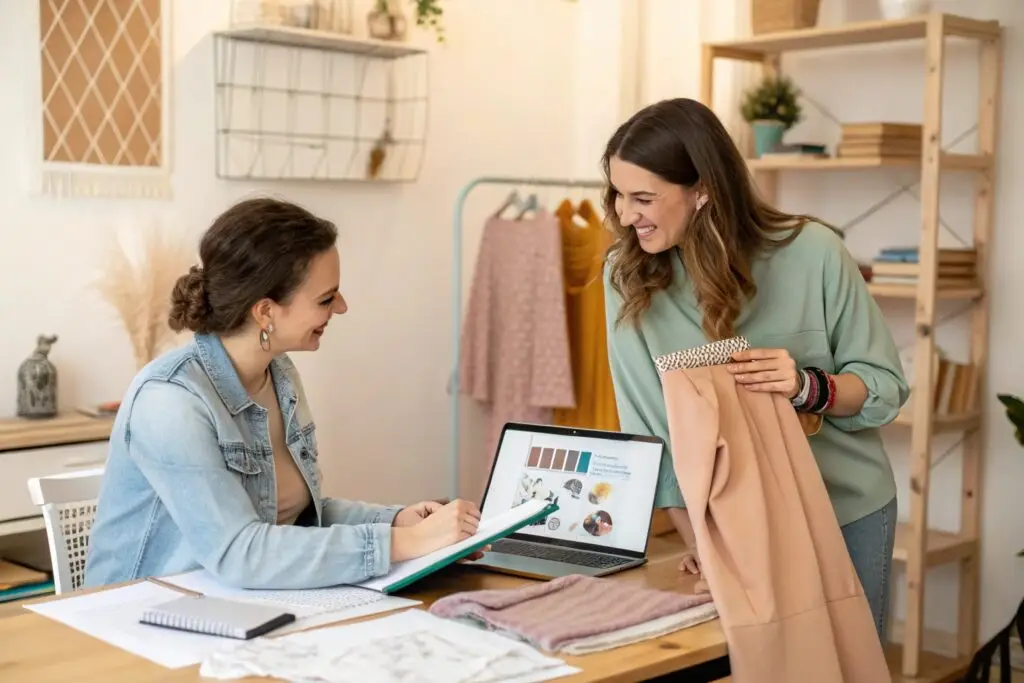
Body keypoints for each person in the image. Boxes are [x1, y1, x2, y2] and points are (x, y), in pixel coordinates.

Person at [600, 98, 908, 640]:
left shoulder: (814, 252)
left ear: (703, 191)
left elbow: (883, 388)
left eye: (643, 198)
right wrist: (705, 544)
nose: (625, 215)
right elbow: (650, 434)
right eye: (619, 195)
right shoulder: (627, 276)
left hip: (845, 509)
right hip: (732, 528)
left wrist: (809, 388)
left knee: (852, 669)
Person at [85, 197, 483, 590]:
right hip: (137, 618)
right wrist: (405, 544)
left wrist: (397, 522)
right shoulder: (170, 400)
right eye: (326, 298)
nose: (341, 307)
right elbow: (240, 553)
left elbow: (295, 518)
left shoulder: (280, 375)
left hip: (231, 604)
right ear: (266, 312)